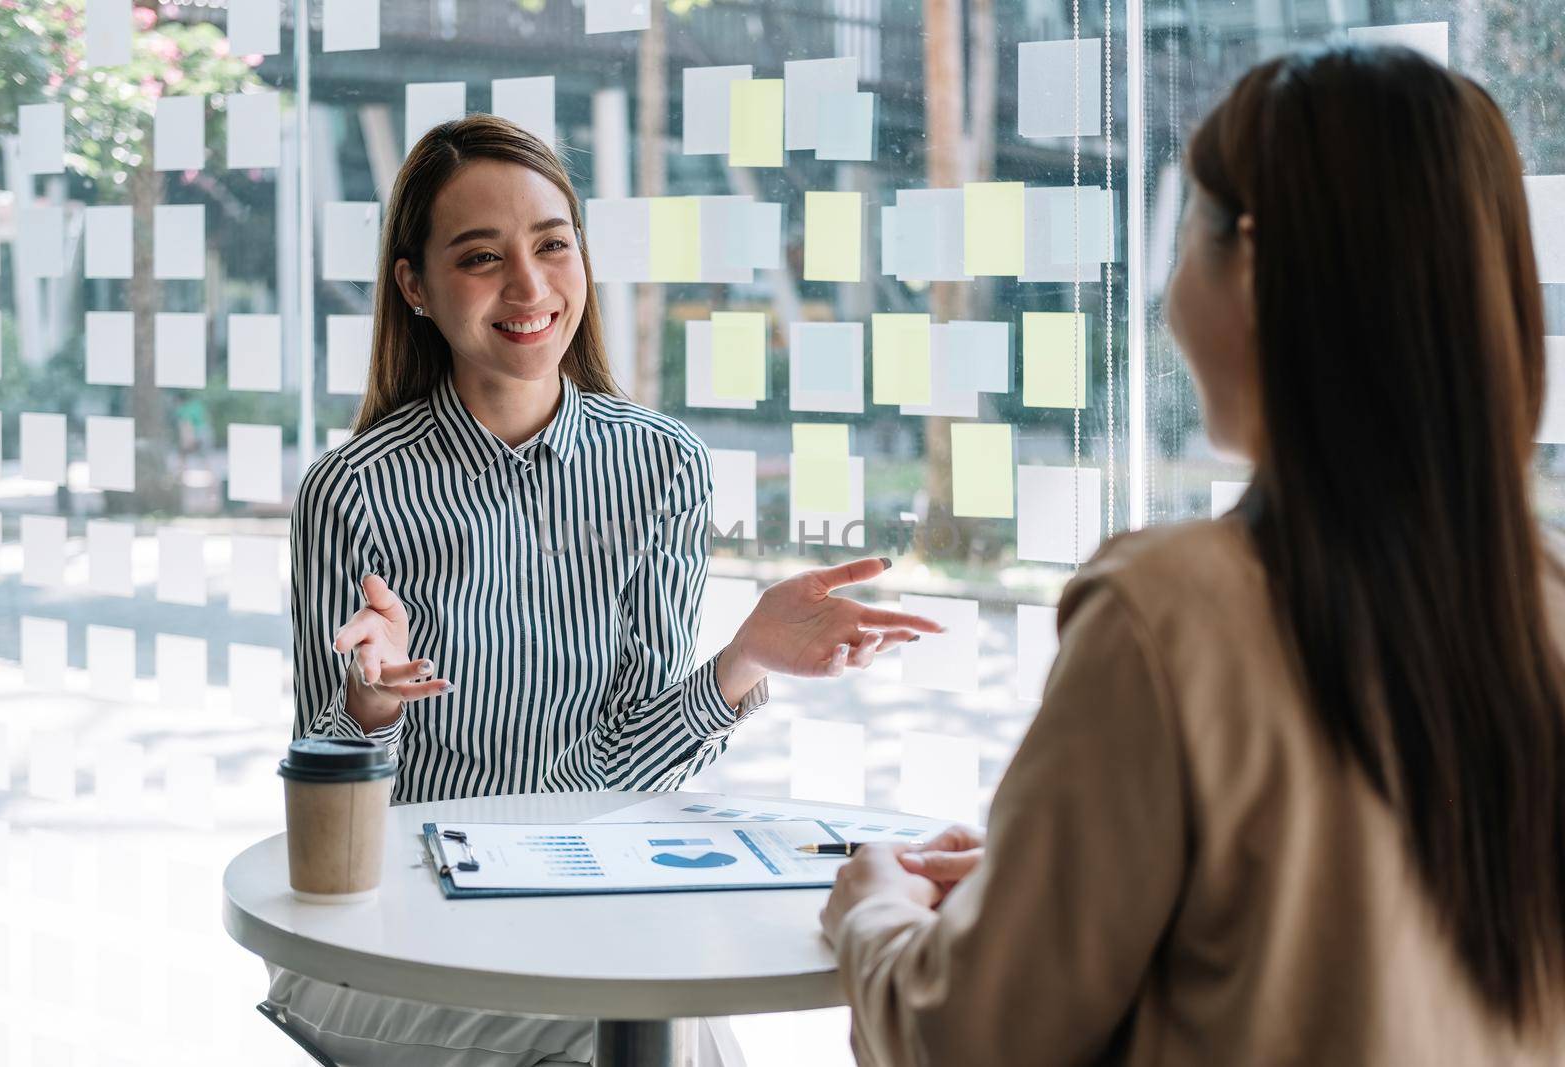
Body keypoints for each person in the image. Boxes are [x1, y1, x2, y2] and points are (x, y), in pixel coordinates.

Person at [820, 45, 1565, 1066]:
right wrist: (1057, 879)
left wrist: (872, 909)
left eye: (1184, 241)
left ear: (1249, 270)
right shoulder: (1544, 601)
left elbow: (970, 1038)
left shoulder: (1164, 613)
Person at [267, 114, 942, 1066]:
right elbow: (323, 790)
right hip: (393, 935)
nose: (530, 286)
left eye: (552, 244)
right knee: (633, 1030)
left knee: (644, 1017)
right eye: (479, 258)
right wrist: (369, 708)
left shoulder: (662, 467)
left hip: (581, 907)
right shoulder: (356, 489)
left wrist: (742, 659)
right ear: (414, 285)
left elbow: (632, 774)